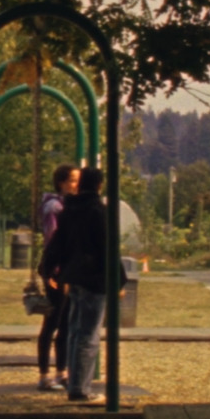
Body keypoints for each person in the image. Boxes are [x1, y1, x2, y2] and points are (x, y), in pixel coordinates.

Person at [38, 167, 125, 403]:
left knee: (75, 331)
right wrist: (119, 279)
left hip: (73, 277)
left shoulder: (69, 210)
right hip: (94, 278)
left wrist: (48, 268)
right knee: (89, 334)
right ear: (99, 185)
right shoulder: (99, 211)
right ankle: (80, 389)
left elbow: (58, 242)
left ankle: (74, 383)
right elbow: (109, 247)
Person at [35, 163, 78, 391]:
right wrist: (57, 271)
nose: (76, 185)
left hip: (66, 270)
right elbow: (53, 240)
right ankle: (44, 374)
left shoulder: (67, 206)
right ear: (62, 183)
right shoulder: (55, 208)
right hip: (57, 271)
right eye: (72, 180)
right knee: (52, 321)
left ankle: (62, 371)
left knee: (66, 323)